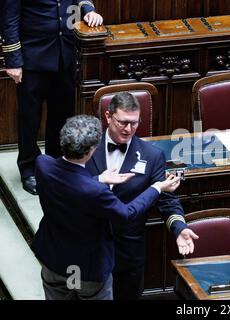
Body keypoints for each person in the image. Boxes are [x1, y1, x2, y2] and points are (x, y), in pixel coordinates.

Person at [32, 115, 183, 300]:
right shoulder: (95, 191)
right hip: (87, 269)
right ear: (90, 151)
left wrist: (99, 178)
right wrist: (156, 187)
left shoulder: (42, 164)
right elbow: (127, 213)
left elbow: (70, 185)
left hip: (52, 259)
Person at [86, 92, 198, 300]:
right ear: (108, 117)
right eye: (123, 123)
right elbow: (72, 187)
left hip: (128, 251)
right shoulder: (87, 148)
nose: (128, 129)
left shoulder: (151, 155)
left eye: (134, 123)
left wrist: (179, 227)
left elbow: (166, 199)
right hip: (87, 246)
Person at [1, 1, 103, 195]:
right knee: (29, 118)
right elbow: (9, 20)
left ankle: (57, 161)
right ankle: (28, 167)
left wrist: (88, 10)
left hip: (64, 53)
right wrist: (13, 60)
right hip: (33, 56)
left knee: (62, 113)